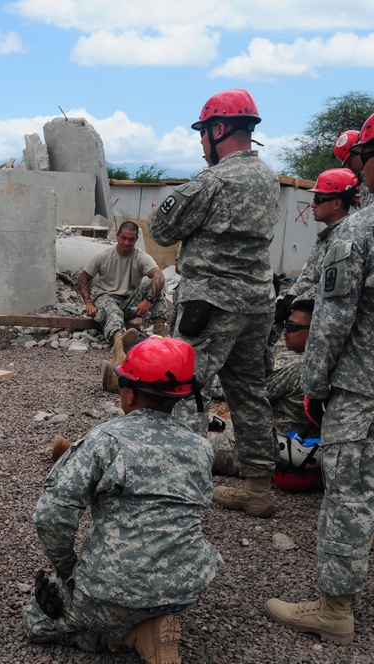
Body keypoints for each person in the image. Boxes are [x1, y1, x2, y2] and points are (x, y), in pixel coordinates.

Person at [23, 337, 222, 664]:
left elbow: (51, 514)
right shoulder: (200, 447)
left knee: (37, 618)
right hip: (189, 587)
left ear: (128, 394)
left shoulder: (106, 440)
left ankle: (128, 635)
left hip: (113, 593)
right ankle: (151, 621)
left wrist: (68, 570)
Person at [264, 111, 374, 646]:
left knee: (349, 494)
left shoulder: (357, 234)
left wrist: (315, 386)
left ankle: (335, 609)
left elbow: (331, 323)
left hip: (360, 388)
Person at [148, 88, 279, 518]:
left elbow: (162, 229)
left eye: (203, 133)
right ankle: (259, 490)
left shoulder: (214, 180)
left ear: (218, 129)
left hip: (211, 305)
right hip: (257, 303)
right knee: (249, 393)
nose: (202, 144)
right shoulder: (269, 178)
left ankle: (179, 490)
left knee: (185, 388)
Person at [211, 299, 322, 488]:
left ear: (314, 331)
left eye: (293, 327)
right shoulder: (311, 360)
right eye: (286, 324)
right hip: (268, 442)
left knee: (189, 443)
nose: (285, 330)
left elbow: (248, 391)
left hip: (258, 449)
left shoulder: (299, 368)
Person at [273, 168, 359, 324]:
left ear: (336, 203)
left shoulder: (346, 238)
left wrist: (293, 303)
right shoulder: (329, 235)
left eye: (318, 199)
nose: (312, 205)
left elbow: (330, 287)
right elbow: (309, 276)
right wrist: (289, 297)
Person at [79, 221, 167, 355]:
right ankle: (119, 341)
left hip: (128, 302)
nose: (126, 243)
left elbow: (159, 276)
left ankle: (160, 334)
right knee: (113, 310)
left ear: (136, 239)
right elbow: (83, 278)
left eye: (131, 239)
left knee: (155, 286)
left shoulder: (140, 257)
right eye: (123, 238)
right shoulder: (103, 256)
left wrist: (148, 300)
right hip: (106, 298)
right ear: (117, 236)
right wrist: (89, 303)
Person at [333, 129, 373, 209]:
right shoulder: (362, 180)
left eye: (349, 162)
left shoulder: (370, 178)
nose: (349, 168)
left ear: (358, 152)